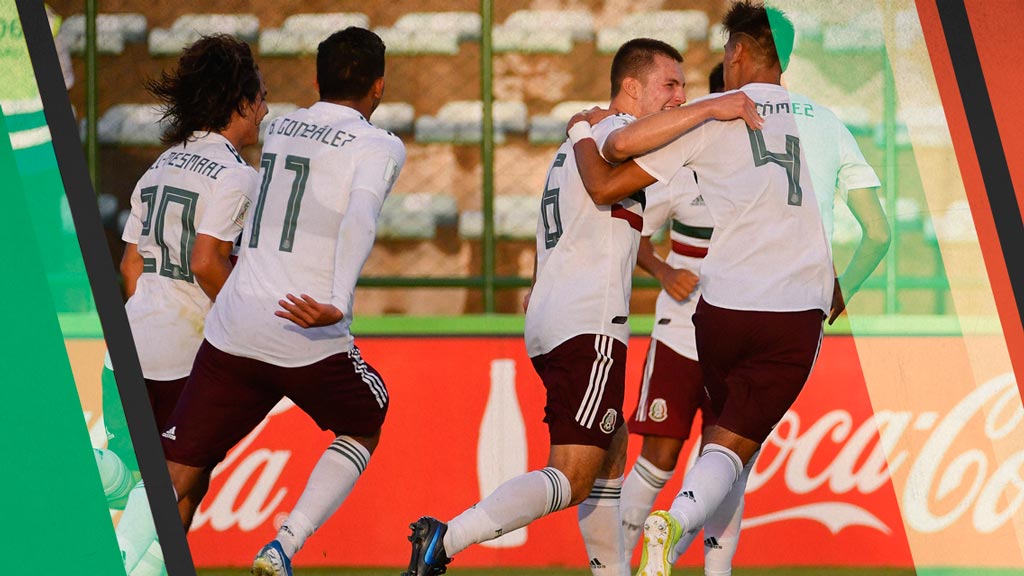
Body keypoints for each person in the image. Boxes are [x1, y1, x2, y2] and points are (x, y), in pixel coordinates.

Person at [402, 39, 760, 576]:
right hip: (589, 323)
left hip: (554, 317)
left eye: (686, 86)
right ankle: (447, 537)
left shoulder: (583, 139)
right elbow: (602, 187)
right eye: (671, 84)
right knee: (573, 475)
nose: (680, 96)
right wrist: (708, 108)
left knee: (610, 461)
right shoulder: (615, 138)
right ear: (631, 88)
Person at [568, 3, 890, 575]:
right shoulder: (830, 123)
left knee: (720, 446)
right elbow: (880, 233)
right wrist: (843, 290)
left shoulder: (708, 120)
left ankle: (657, 555)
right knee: (730, 451)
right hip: (792, 314)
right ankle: (678, 523)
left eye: (723, 53)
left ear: (737, 52)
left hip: (716, 313)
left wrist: (588, 130)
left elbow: (616, 165)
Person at [158, 27, 405, 576]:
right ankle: (284, 544)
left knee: (175, 473)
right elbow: (361, 217)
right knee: (368, 417)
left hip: (234, 325)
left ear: (316, 80)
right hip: (305, 329)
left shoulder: (281, 126)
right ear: (380, 86)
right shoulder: (379, 144)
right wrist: (338, 301)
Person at [109, 34, 267, 576]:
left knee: (141, 490)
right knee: (178, 491)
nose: (266, 111)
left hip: (129, 349)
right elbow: (206, 262)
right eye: (261, 98)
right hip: (184, 360)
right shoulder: (237, 175)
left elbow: (131, 268)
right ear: (240, 103)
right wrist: (247, 322)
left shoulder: (158, 168)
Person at [618, 62, 746, 575]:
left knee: (726, 469)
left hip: (739, 338)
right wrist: (666, 271)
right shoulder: (682, 160)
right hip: (681, 334)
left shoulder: (771, 164)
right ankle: (615, 567)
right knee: (657, 462)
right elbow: (635, 234)